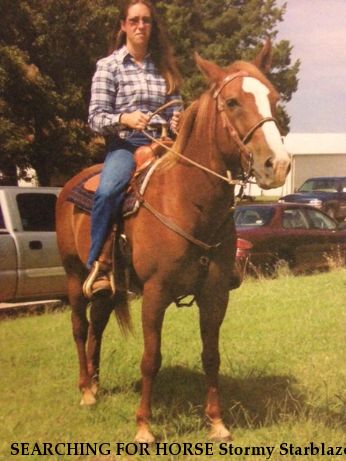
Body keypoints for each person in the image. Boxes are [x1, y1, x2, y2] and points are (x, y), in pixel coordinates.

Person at [83, 0, 183, 298]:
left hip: (165, 143)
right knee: (108, 190)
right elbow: (95, 118)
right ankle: (99, 263)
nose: (141, 26)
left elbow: (176, 107)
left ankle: (214, 257)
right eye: (135, 20)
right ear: (123, 26)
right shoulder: (109, 66)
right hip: (126, 145)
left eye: (147, 21)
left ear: (153, 26)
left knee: (204, 180)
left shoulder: (165, 67)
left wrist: (177, 118)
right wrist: (124, 118)